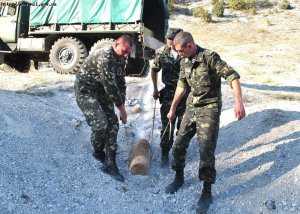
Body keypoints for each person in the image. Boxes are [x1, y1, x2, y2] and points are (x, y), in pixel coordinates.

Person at [165, 31, 246, 211]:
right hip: (191, 107)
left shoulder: (209, 57)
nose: (178, 54)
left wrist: (238, 103)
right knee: (178, 144)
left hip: (209, 108)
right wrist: (172, 108)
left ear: (190, 45)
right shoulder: (184, 60)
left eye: (180, 51)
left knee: (206, 150)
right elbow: (182, 85)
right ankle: (179, 177)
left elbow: (233, 76)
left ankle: (206, 191)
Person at [74, 35, 133, 182]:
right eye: (124, 51)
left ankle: (110, 163)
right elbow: (110, 87)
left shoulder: (121, 57)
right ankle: (98, 151)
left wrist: (122, 105)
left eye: (128, 52)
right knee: (101, 124)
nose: (125, 55)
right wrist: (122, 110)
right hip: (85, 90)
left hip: (101, 90)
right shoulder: (105, 57)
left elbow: (120, 82)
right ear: (116, 44)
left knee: (113, 122)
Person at [151, 28, 189, 167]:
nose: (169, 43)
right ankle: (165, 154)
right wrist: (155, 88)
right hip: (168, 94)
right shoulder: (161, 52)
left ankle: (179, 154)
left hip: (185, 95)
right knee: (167, 126)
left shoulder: (186, 52)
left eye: (171, 41)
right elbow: (154, 70)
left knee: (183, 127)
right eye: (167, 40)